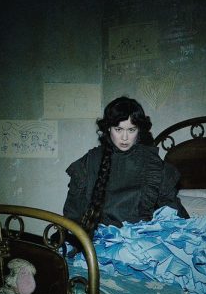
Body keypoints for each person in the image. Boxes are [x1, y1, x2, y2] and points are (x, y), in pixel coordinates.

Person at [63, 96, 188, 240]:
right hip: (100, 239)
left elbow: (171, 208)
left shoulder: (152, 162)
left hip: (142, 238)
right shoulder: (90, 161)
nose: (124, 137)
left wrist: (186, 232)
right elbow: (73, 212)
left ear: (139, 130)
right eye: (118, 129)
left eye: (131, 130)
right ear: (108, 128)